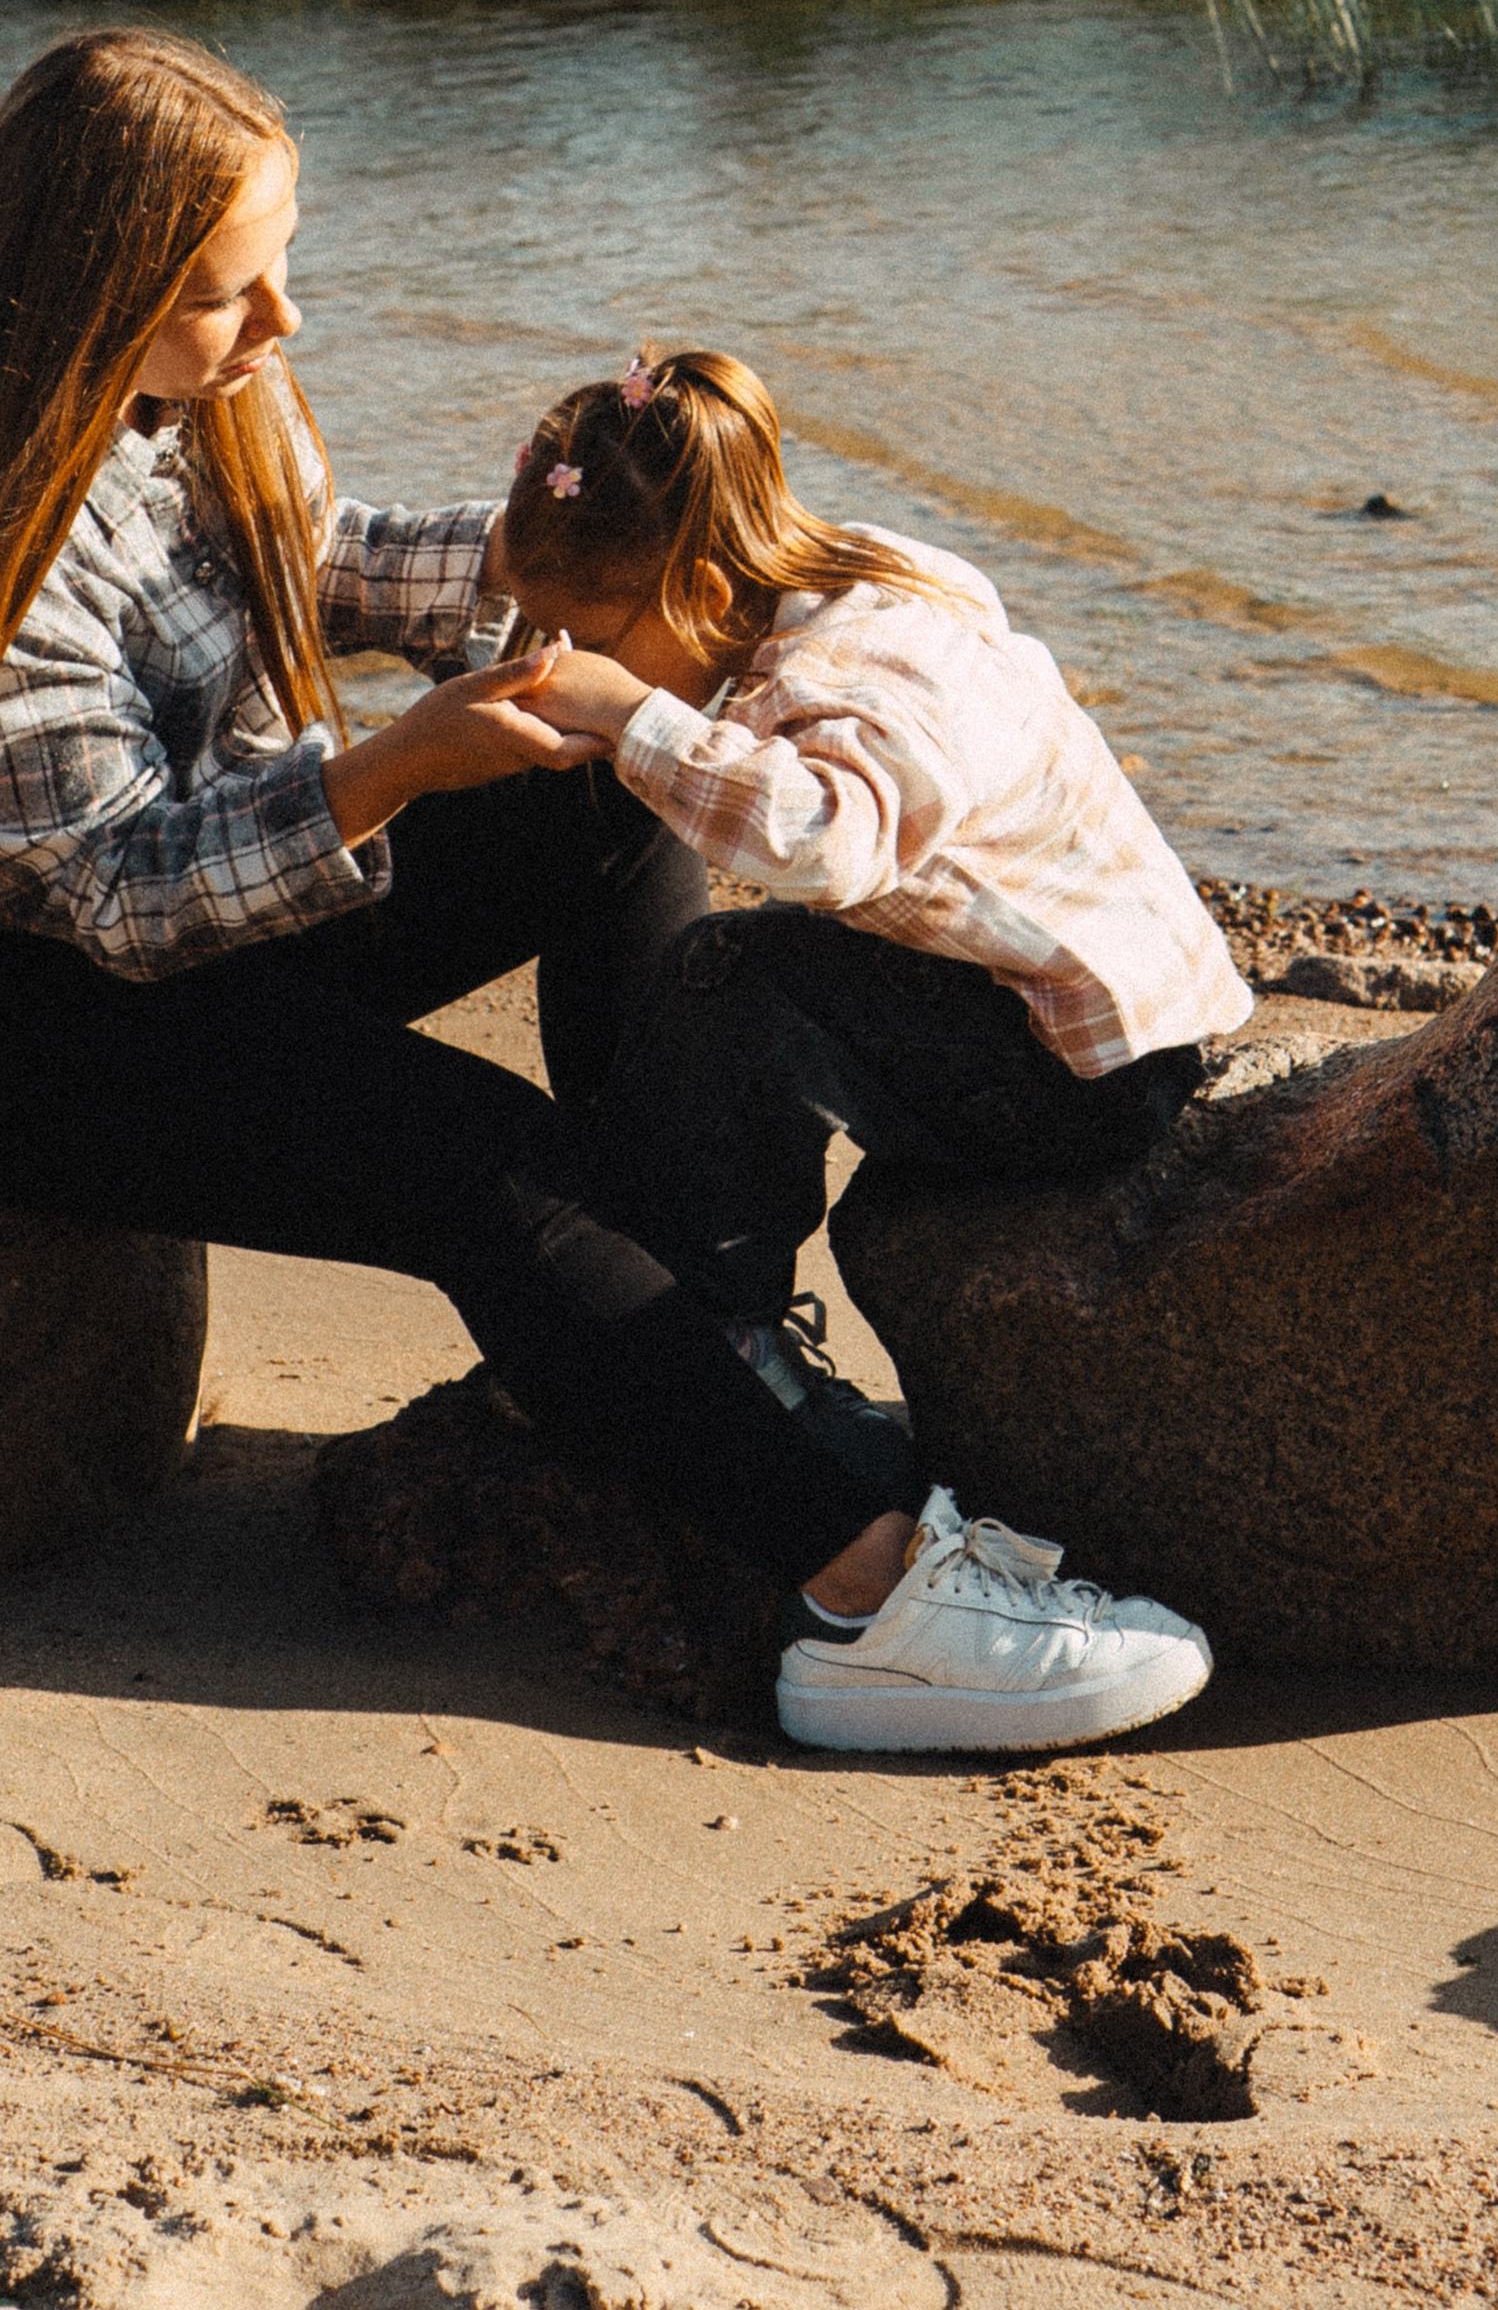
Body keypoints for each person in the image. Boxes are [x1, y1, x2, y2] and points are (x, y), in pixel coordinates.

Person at [0, 30, 1203, 1756]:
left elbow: (309, 567)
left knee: (608, 785)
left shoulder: (189, 411)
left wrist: (629, 558)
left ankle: (690, 1331)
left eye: (284, 263)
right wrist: (390, 770)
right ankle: (866, 1595)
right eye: (232, 293)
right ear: (91, 297)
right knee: (482, 1173)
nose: (285, 326)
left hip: (216, 918)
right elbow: (121, 892)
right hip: (23, 1026)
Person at [486, 344, 1245, 1748]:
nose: (550, 660)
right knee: (699, 918)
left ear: (700, 597)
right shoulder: (844, 576)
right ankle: (657, 1254)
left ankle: (712, 1323)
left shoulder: (864, 670)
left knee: (734, 978)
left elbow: (827, 842)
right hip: (1059, 998)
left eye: (576, 631)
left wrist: (630, 716)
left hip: (1088, 1069)